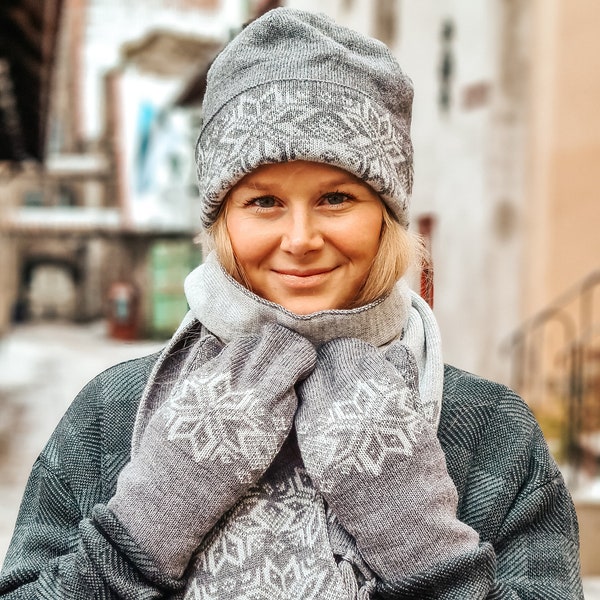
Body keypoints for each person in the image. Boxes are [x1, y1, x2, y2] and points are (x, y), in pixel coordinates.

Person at [0, 7, 583, 599]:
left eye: (335, 197)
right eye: (264, 202)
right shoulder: (112, 415)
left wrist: (426, 553)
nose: (300, 239)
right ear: (221, 218)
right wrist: (142, 531)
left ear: (387, 216)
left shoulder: (489, 432)